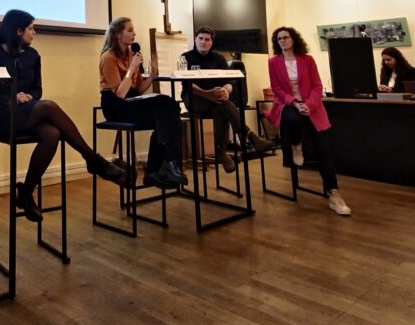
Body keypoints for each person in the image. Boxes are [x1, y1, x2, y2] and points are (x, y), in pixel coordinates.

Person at [0, 9, 126, 222]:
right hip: (3, 115)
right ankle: (93, 160)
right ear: (18, 30)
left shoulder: (33, 55)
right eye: (31, 28)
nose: (34, 33)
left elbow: (37, 89)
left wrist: (29, 96)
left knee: (53, 133)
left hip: (28, 111)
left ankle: (26, 193)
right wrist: (12, 98)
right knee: (49, 106)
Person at [267, 26, 351, 215]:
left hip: (312, 107)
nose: (282, 40)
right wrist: (295, 103)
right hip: (288, 104)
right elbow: (277, 89)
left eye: (286, 37)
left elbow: (317, 85)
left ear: (294, 39)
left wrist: (309, 105)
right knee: (293, 120)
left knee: (324, 151)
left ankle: (334, 194)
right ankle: (296, 145)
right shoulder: (273, 62)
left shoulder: (307, 59)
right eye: (279, 38)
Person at [99, 17, 187, 188]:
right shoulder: (108, 57)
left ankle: (164, 166)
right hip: (115, 105)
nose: (134, 34)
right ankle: (162, 167)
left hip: (132, 100)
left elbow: (138, 89)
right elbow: (120, 93)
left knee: (169, 105)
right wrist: (132, 68)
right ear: (118, 34)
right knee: (165, 111)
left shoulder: (132, 55)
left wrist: (153, 74)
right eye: (130, 30)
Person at [181, 27, 273, 173]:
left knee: (220, 107)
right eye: (200, 38)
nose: (203, 42)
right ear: (195, 39)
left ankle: (221, 152)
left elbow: (229, 82)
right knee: (221, 103)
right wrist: (208, 94)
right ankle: (249, 136)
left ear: (212, 42)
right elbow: (187, 85)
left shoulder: (219, 58)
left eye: (207, 39)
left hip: (216, 98)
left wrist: (226, 91)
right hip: (195, 98)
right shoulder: (185, 57)